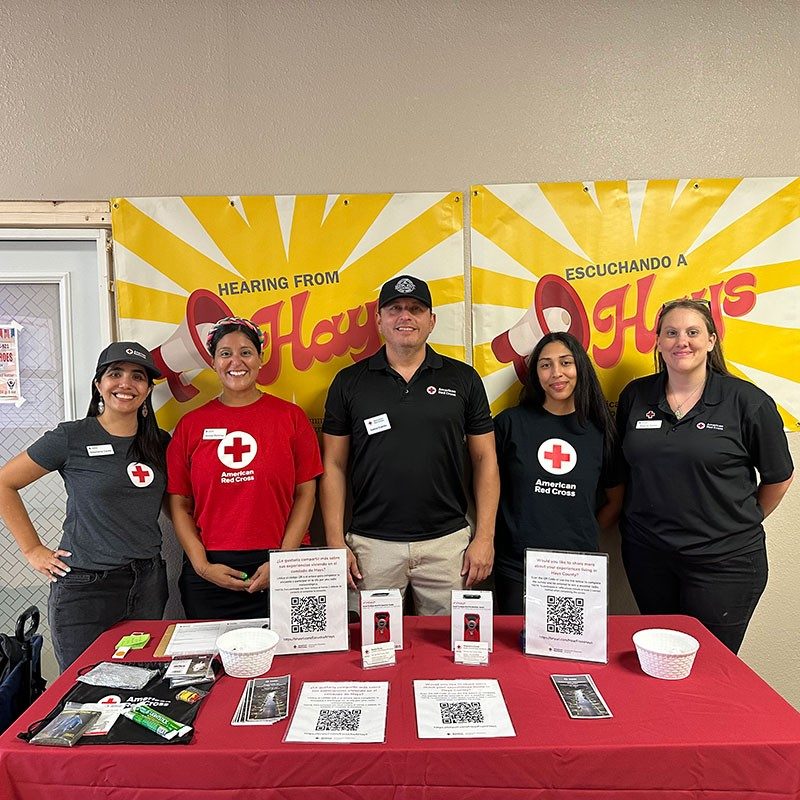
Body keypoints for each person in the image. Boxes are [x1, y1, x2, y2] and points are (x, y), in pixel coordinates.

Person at [617, 298, 794, 653]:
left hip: (724, 564)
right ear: (659, 341)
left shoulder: (747, 401)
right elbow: (625, 467)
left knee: (709, 670)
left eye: (693, 332)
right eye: (671, 333)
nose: (682, 341)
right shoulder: (636, 396)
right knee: (658, 661)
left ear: (711, 340)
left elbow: (779, 477)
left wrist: (741, 520)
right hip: (648, 557)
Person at [320, 275, 500, 615]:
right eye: (395, 309)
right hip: (371, 547)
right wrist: (334, 543)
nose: (405, 317)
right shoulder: (349, 382)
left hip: (448, 546)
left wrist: (485, 538)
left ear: (431, 321)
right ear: (379, 320)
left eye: (416, 309)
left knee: (451, 648)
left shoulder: (462, 379)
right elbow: (333, 465)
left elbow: (485, 458)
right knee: (372, 652)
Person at [0, 342, 169, 671]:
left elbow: (176, 504)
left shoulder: (160, 443)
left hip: (147, 582)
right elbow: (5, 483)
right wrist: (32, 549)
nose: (125, 384)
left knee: (142, 679)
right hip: (85, 588)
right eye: (115, 374)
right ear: (99, 384)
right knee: (84, 690)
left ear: (148, 389)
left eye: (137, 377)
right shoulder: (72, 437)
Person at [167, 316, 322, 619]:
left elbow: (306, 494)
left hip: (281, 563)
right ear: (213, 362)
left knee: (294, 661)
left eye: (246, 352)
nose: (235, 361)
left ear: (260, 359)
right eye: (225, 353)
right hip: (210, 571)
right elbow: (179, 503)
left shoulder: (291, 418)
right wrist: (202, 567)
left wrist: (283, 561)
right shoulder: (190, 426)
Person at [493, 332, 624, 614]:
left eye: (566, 363)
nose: (556, 373)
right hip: (518, 566)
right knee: (517, 652)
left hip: (576, 570)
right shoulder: (510, 424)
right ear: (535, 373)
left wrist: (579, 531)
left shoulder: (601, 430)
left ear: (580, 367)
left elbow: (615, 500)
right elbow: (486, 487)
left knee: (570, 653)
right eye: (545, 365)